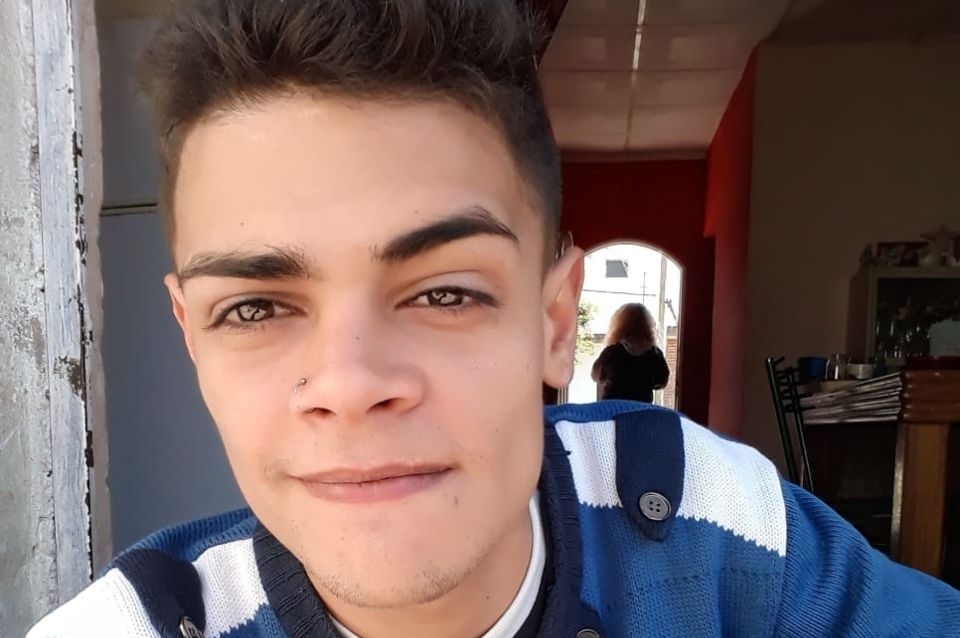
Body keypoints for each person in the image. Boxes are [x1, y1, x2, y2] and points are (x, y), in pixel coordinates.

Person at [29, 1, 960, 636]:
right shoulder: (142, 623)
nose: (348, 385)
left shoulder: (707, 522)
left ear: (555, 322)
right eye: (256, 307)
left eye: (445, 293)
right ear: (192, 338)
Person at [590, 303, 669, 403]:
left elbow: (595, 375)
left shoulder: (611, 352)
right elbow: (662, 382)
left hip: (613, 407)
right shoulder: (655, 354)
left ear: (619, 325)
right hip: (640, 408)